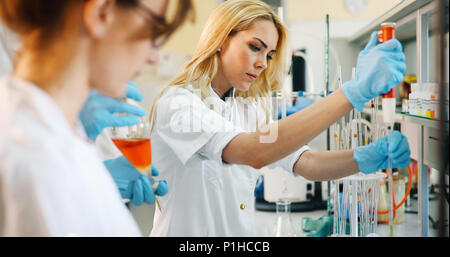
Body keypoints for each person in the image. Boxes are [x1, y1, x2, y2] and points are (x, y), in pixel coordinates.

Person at [148, 0, 410, 236]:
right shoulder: (179, 104)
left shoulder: (247, 109)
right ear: (220, 39)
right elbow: (254, 151)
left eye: (269, 54)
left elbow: (308, 163)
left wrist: (368, 158)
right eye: (255, 47)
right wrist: (354, 91)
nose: (263, 63)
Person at [0, 0, 193, 236]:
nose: (154, 56)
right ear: (101, 13)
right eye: (153, 31)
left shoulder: (53, 135)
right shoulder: (36, 159)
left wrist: (100, 178)